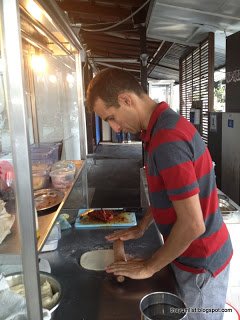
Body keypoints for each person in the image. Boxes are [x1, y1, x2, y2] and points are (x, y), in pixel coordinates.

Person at [86, 68, 232, 320]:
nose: (116, 128)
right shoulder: (156, 130)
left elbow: (193, 225)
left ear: (126, 100)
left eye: (111, 117)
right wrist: (143, 227)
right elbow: (171, 193)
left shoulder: (168, 139)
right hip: (188, 256)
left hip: (201, 266)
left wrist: (149, 266)